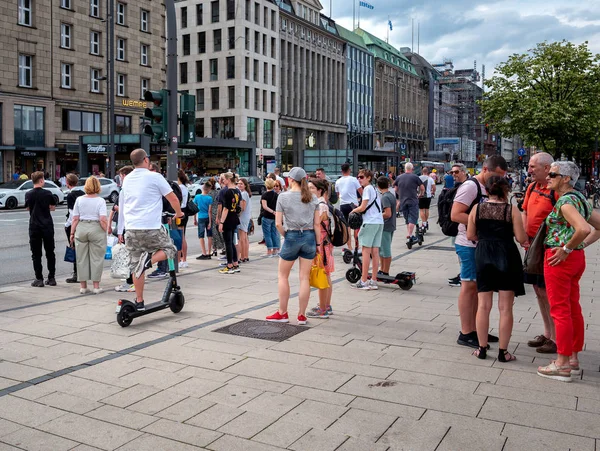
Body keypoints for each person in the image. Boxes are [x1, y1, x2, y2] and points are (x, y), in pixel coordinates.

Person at [537, 161, 600, 382]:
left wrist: (565, 248)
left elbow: (582, 228)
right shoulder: (580, 198)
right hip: (574, 260)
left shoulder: (565, 201)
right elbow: (597, 225)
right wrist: (578, 247)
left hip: (558, 260)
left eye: (553, 174)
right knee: (573, 307)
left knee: (560, 310)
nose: (548, 176)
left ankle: (562, 363)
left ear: (565, 179)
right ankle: (572, 357)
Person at [466, 176, 527, 361]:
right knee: (505, 307)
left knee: (483, 306)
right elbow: (521, 238)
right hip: (507, 255)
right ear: (506, 191)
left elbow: (470, 235)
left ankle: (481, 348)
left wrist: (486, 239)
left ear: (487, 191)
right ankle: (503, 352)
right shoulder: (512, 210)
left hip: (483, 254)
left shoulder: (477, 208)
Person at [451, 155, 508, 349]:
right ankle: (466, 332)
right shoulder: (470, 186)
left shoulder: (486, 188)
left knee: (478, 288)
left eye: (502, 176)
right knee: (469, 286)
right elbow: (456, 214)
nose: (500, 179)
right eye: (497, 175)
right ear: (485, 169)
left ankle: (477, 329)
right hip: (467, 244)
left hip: (480, 245)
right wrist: (484, 223)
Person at [117, 149, 183, 311]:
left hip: (132, 228)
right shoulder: (155, 177)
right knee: (171, 249)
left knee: (136, 266)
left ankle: (139, 301)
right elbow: (172, 197)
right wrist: (179, 212)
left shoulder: (127, 179)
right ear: (146, 160)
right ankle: (149, 261)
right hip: (151, 227)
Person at [266, 167, 319, 325]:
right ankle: (302, 315)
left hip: (291, 236)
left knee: (283, 276)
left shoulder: (283, 197)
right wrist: (317, 244)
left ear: (290, 180)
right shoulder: (313, 197)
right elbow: (317, 224)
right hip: (309, 237)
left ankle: (283, 313)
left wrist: (286, 235)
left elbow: (277, 223)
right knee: (304, 278)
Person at [521, 152, 559, 354]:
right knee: (538, 290)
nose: (529, 170)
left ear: (547, 168)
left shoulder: (556, 191)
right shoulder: (532, 187)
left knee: (548, 293)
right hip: (533, 248)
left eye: (533, 166)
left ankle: (555, 338)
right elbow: (525, 210)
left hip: (548, 248)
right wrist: (526, 237)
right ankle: (547, 333)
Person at [70, 176, 108, 294]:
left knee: (81, 258)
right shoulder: (100, 201)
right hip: (96, 228)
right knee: (96, 258)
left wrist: (72, 233)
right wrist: (106, 230)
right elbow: (102, 219)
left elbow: (75, 218)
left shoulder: (79, 200)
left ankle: (83, 286)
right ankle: (96, 287)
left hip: (81, 228)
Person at [351, 169, 383, 290]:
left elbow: (363, 207)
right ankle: (373, 280)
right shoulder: (374, 189)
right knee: (375, 252)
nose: (359, 179)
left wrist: (353, 210)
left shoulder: (367, 189)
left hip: (370, 222)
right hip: (379, 222)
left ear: (369, 178)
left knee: (365, 251)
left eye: (362, 177)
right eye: (358, 177)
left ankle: (364, 281)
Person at [307, 178, 334, 318]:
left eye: (312, 188)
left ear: (319, 190)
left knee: (322, 275)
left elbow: (316, 226)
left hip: (321, 245)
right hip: (325, 244)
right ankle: (326, 305)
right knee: (327, 275)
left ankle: (322, 309)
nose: (309, 190)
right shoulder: (323, 203)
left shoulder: (320, 205)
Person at [25, 171, 57, 287]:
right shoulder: (48, 193)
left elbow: (28, 208)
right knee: (50, 252)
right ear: (41, 180)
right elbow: (52, 208)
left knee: (36, 253)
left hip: (34, 226)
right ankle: (52, 277)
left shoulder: (28, 194)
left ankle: (39, 278)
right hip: (47, 225)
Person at [109, 166, 135, 293]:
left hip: (128, 226)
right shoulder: (136, 189)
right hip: (137, 226)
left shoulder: (125, 191)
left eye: (121, 176)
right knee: (135, 254)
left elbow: (122, 213)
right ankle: (134, 280)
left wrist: (120, 231)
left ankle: (130, 281)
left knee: (129, 255)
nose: (120, 179)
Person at [394, 162, 424, 243]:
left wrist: (401, 195)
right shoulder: (415, 177)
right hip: (413, 200)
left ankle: (409, 234)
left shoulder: (399, 177)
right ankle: (410, 235)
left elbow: (395, 189)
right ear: (412, 168)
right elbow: (422, 187)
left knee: (407, 218)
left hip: (403, 201)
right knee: (413, 218)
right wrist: (420, 194)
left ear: (405, 169)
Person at [218, 172, 241, 274]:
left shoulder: (228, 192)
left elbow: (226, 208)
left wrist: (221, 222)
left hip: (228, 218)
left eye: (224, 179)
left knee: (228, 243)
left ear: (228, 180)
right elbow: (238, 206)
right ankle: (235, 264)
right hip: (234, 217)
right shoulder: (237, 191)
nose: (223, 181)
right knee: (231, 242)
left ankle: (229, 265)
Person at [335, 163, 362, 251]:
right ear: (349, 170)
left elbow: (338, 194)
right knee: (356, 226)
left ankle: (349, 246)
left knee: (347, 227)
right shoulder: (354, 179)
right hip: (353, 205)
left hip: (343, 205)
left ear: (341, 171)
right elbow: (361, 191)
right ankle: (357, 246)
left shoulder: (338, 181)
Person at [64, 173, 85, 284]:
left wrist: (67, 225)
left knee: (74, 249)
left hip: (74, 225)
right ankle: (83, 273)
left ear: (68, 183)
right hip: (83, 224)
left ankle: (76, 273)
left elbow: (72, 214)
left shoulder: (70, 196)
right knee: (82, 250)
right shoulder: (82, 193)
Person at [378, 176, 396, 277]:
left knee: (385, 250)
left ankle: (385, 271)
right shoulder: (391, 195)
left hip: (386, 226)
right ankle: (382, 269)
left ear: (378, 186)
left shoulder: (385, 197)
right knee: (382, 249)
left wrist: (377, 215)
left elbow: (387, 213)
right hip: (391, 224)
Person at [194, 183, 214, 260]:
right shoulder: (209, 198)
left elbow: (195, 209)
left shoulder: (197, 197)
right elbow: (209, 211)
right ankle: (209, 252)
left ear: (202, 188)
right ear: (209, 189)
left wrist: (195, 219)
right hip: (207, 218)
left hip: (201, 218)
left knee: (201, 236)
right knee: (209, 235)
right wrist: (210, 222)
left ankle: (204, 253)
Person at [261, 178, 280, 257]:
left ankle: (269, 251)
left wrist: (272, 211)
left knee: (267, 234)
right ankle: (275, 250)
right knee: (274, 233)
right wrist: (275, 213)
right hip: (274, 217)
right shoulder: (276, 194)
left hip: (267, 216)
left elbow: (264, 206)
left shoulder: (264, 195)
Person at [237, 178, 252, 263]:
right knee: (245, 237)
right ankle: (245, 256)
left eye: (241, 184)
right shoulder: (246, 193)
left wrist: (237, 213)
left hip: (242, 217)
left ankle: (242, 256)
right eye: (238, 183)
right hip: (246, 216)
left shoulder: (243, 194)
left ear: (245, 185)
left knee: (242, 238)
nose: (239, 185)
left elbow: (242, 207)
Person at [177, 169, 190, 269]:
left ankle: (180, 259)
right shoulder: (185, 187)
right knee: (182, 236)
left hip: (180, 211)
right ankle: (183, 259)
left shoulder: (179, 187)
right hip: (184, 211)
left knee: (179, 236)